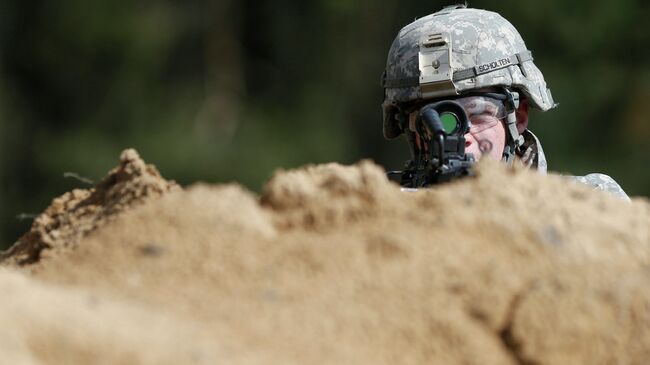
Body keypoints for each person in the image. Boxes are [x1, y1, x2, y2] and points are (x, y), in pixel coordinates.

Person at [380, 4, 629, 200]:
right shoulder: (368, 211)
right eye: (432, 120)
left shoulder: (586, 204)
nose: (458, 135)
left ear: (518, 117)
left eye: (478, 114)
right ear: (410, 132)